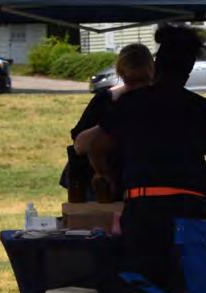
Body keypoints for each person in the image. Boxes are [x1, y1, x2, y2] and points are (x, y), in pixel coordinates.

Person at [90, 25, 206, 293]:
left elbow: (96, 146)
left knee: (142, 292)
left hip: (144, 210)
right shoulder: (201, 108)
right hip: (192, 211)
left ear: (156, 63)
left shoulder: (131, 103)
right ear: (188, 70)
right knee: (194, 292)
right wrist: (192, 182)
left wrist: (109, 176)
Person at [65, 44, 154, 202]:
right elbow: (81, 144)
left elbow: (81, 144)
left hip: (118, 186)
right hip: (117, 187)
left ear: (120, 70)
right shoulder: (107, 101)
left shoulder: (108, 100)